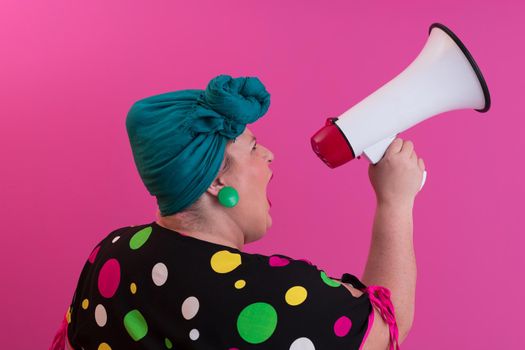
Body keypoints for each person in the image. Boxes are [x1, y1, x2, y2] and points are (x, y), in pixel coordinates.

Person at [50, 74, 425, 350]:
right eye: (253, 147)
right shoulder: (278, 293)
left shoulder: (111, 253)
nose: (269, 156)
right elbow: (385, 327)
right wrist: (395, 202)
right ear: (216, 182)